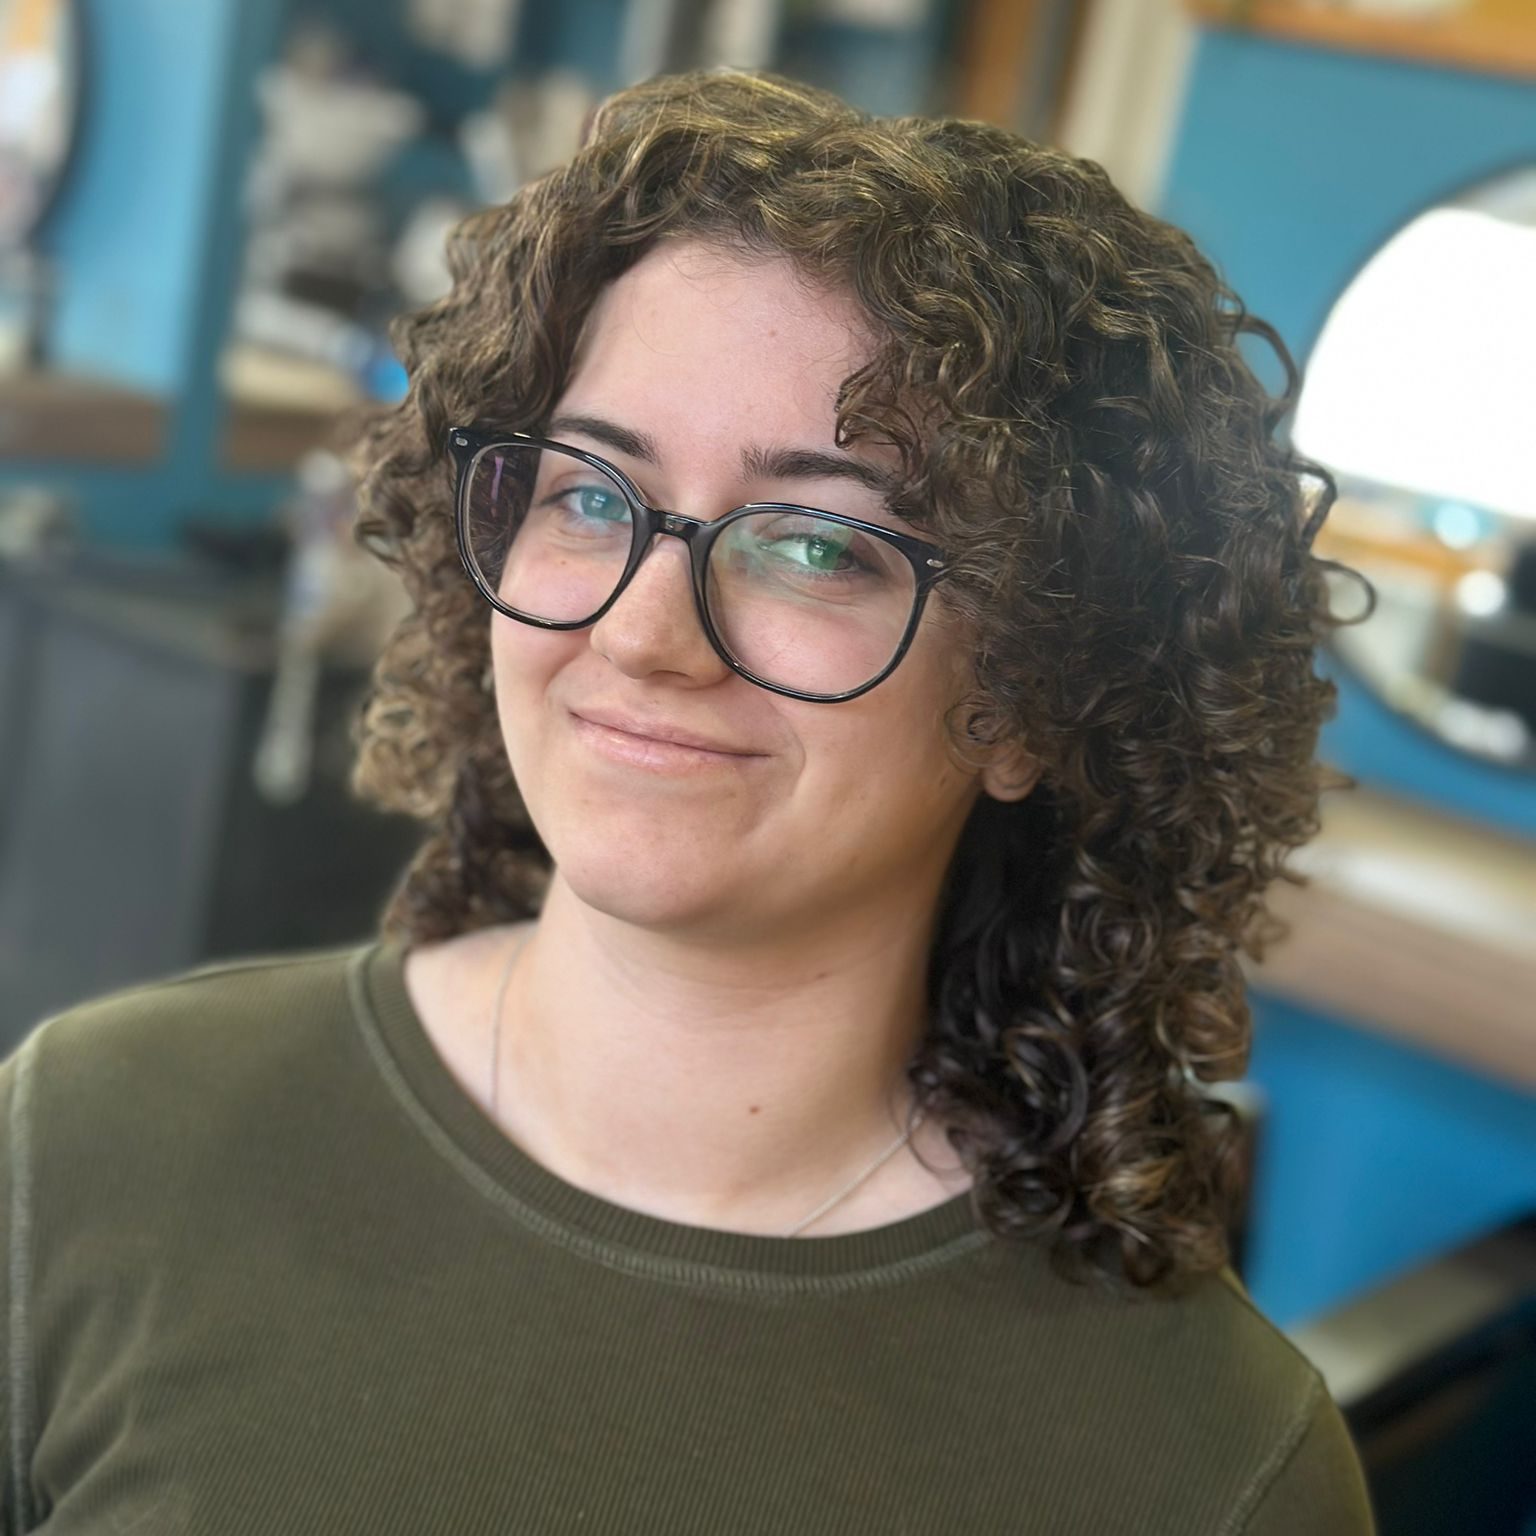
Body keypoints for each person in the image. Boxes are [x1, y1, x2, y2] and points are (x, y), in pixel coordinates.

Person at [0, 69, 1378, 1535]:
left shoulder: (1213, 1470)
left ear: (1040, 693)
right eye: (591, 494)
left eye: (816, 545)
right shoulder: (91, 1142)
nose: (645, 630)